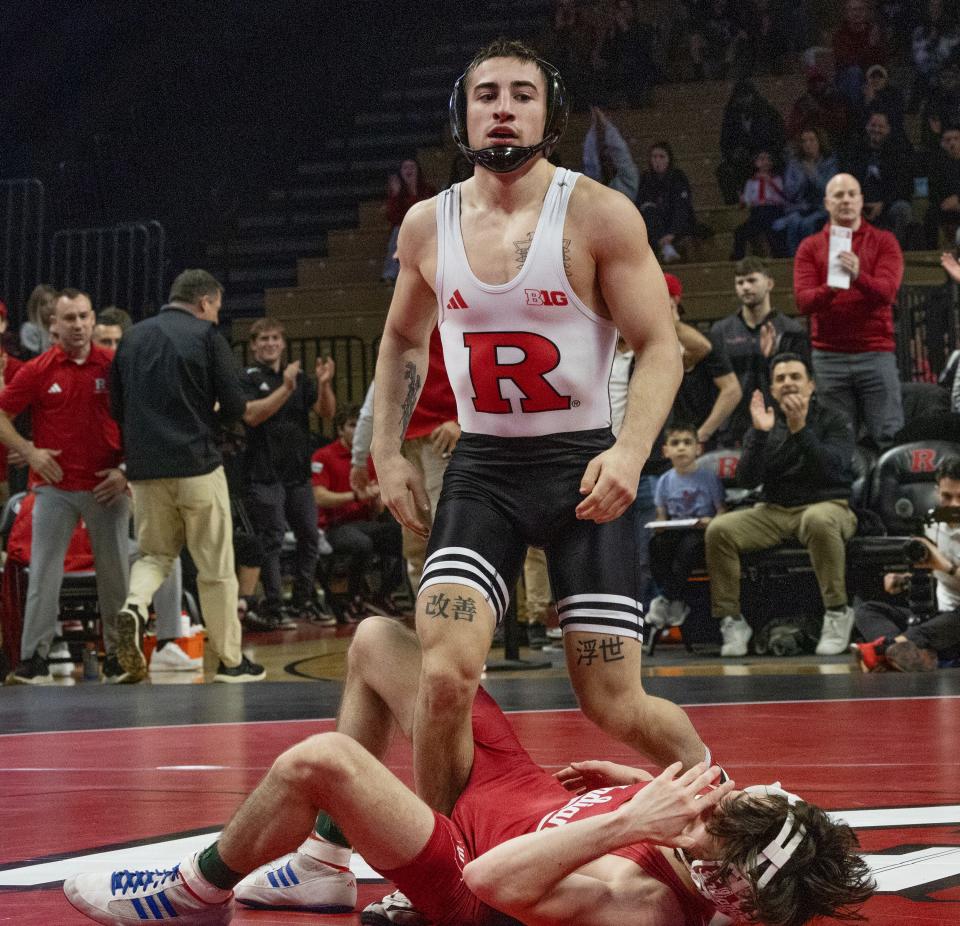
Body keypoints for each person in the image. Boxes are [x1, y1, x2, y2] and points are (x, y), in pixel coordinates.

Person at [370, 39, 713, 821]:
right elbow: (398, 340)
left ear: (549, 112)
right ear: (462, 112)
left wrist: (630, 451)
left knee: (615, 704)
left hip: (582, 467)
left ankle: (732, 807)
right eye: (486, 93)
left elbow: (661, 344)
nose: (502, 108)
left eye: (521, 94)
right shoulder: (427, 225)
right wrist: (386, 453)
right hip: (483, 469)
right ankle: (445, 867)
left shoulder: (596, 212)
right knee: (447, 676)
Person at [63, 618, 875, 926]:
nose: (712, 798)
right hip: (516, 786)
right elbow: (701, 815)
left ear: (720, 876)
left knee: (324, 759)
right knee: (381, 640)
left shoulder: (644, 908)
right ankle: (319, 865)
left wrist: (626, 818)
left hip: (463, 860)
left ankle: (194, 894)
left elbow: (487, 879)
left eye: (714, 818)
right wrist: (624, 786)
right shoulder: (698, 841)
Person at [109, 269, 281, 683]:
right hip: (198, 465)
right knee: (217, 569)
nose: (217, 317)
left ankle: (134, 605)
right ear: (204, 301)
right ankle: (231, 661)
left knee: (154, 554)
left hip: (146, 470)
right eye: (217, 308)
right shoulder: (206, 338)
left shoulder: (131, 338)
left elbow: (116, 407)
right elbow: (237, 406)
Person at [0, 289, 132, 685]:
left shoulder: (114, 365)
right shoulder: (39, 369)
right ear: (52, 325)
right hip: (54, 488)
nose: (77, 325)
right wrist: (30, 451)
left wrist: (126, 470)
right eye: (68, 318)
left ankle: (119, 658)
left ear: (93, 320)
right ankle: (33, 661)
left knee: (115, 578)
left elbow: (141, 420)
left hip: (105, 486)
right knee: (43, 573)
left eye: (83, 317)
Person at [705, 354, 859, 658]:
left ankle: (837, 612)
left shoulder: (834, 419)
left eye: (795, 376)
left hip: (828, 505)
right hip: (775, 511)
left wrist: (800, 429)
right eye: (780, 379)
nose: (788, 383)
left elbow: (835, 470)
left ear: (811, 385)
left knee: (818, 520)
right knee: (719, 529)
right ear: (773, 390)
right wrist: (761, 435)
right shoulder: (765, 422)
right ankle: (732, 620)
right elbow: (747, 480)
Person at [793, 172, 905, 449]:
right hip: (829, 357)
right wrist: (832, 286)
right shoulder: (810, 247)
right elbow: (804, 302)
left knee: (888, 438)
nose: (846, 200)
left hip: (875, 353)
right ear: (827, 203)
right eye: (838, 195)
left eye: (851, 194)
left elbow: (887, 292)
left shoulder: (884, 242)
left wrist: (858, 276)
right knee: (837, 442)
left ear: (861, 201)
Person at [240, 318, 336, 626]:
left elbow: (326, 412)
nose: (269, 343)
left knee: (309, 535)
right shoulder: (249, 378)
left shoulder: (297, 377)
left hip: (297, 472)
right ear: (253, 345)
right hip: (264, 472)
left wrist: (322, 384)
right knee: (273, 537)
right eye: (263, 338)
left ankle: (303, 599)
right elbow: (254, 416)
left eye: (274, 338)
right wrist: (286, 388)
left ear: (283, 343)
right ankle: (273, 604)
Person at [852, 455, 960, 673]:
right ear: (937, 492)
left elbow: (944, 569)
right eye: (947, 497)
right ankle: (907, 654)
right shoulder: (932, 523)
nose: (953, 505)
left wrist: (946, 566)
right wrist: (904, 580)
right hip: (938, 616)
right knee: (867, 609)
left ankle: (886, 650)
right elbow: (936, 576)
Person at [312, 405, 404, 622]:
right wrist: (355, 496)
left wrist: (378, 496)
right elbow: (319, 496)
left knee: (406, 537)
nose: (357, 431)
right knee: (360, 543)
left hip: (365, 523)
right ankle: (352, 597)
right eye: (352, 425)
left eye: (361, 426)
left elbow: (377, 509)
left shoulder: (369, 459)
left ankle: (381, 595)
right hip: (334, 527)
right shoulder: (324, 456)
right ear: (340, 429)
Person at [709, 257, 809, 447]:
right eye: (740, 282)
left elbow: (803, 383)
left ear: (769, 283)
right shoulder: (720, 331)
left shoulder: (791, 330)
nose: (745, 287)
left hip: (780, 425)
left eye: (752, 280)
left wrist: (773, 358)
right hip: (733, 430)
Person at [647, 422, 726, 630]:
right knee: (656, 545)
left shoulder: (709, 479)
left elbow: (722, 511)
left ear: (698, 449)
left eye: (687, 442)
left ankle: (666, 598)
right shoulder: (664, 481)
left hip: (701, 533)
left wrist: (712, 522)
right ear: (666, 451)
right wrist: (659, 526)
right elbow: (661, 516)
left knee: (689, 548)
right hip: (677, 531)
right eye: (675, 443)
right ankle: (675, 600)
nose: (681, 447)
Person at [842, 110, 914, 248]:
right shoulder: (855, 150)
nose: (876, 130)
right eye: (873, 125)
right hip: (861, 203)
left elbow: (903, 186)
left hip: (888, 204)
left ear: (888, 129)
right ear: (867, 127)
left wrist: (883, 204)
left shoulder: (898, 152)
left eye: (880, 127)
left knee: (903, 209)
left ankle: (895, 254)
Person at [716, 79, 786, 205]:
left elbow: (780, 137)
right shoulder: (731, 115)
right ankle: (735, 205)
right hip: (743, 159)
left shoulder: (768, 112)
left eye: (746, 97)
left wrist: (765, 154)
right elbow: (725, 142)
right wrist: (733, 153)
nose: (743, 101)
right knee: (723, 170)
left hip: (767, 155)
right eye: (740, 98)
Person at [773, 128, 838, 256]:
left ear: (819, 142)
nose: (808, 144)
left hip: (821, 207)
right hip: (798, 207)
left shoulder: (830, 163)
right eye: (804, 141)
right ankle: (794, 260)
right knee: (793, 222)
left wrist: (813, 175)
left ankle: (809, 258)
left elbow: (830, 190)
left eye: (812, 140)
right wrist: (802, 178)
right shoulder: (794, 164)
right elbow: (789, 192)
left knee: (808, 224)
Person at [635, 141, 697, 264]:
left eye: (662, 157)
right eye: (654, 157)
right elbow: (640, 204)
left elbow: (682, 207)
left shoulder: (678, 176)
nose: (658, 160)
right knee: (648, 210)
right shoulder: (646, 178)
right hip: (655, 224)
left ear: (669, 159)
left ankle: (666, 245)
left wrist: (672, 233)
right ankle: (665, 247)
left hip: (677, 222)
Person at [383, 159, 436, 284]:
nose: (409, 170)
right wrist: (395, 196)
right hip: (404, 229)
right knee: (399, 231)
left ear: (418, 170)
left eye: (412, 167)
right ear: (400, 172)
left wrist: (413, 191)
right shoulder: (397, 192)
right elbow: (393, 217)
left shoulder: (428, 190)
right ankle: (390, 274)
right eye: (405, 167)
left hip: (426, 228)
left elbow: (426, 213)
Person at [730, 149, 788, 260]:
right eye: (761, 159)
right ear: (756, 163)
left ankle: (780, 257)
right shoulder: (751, 182)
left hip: (773, 211)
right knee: (740, 231)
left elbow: (782, 197)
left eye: (768, 159)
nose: (765, 162)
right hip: (757, 212)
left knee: (773, 231)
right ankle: (737, 258)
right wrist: (743, 200)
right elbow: (748, 200)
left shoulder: (777, 179)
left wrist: (769, 182)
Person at [581, 106, 639, 201]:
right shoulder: (593, 186)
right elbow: (591, 166)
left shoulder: (627, 183)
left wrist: (604, 125)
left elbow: (622, 156)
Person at [925, 123, 960, 246]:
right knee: (930, 213)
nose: (952, 143)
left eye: (956, 139)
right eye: (948, 140)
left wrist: (958, 200)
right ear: (942, 144)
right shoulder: (936, 165)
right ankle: (930, 253)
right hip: (945, 206)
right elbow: (933, 191)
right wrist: (945, 203)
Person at [18, 283, 57, 357]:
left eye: (52, 302)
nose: (49, 307)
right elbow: (33, 359)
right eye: (43, 304)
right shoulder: (29, 329)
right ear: (35, 308)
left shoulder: (60, 330)